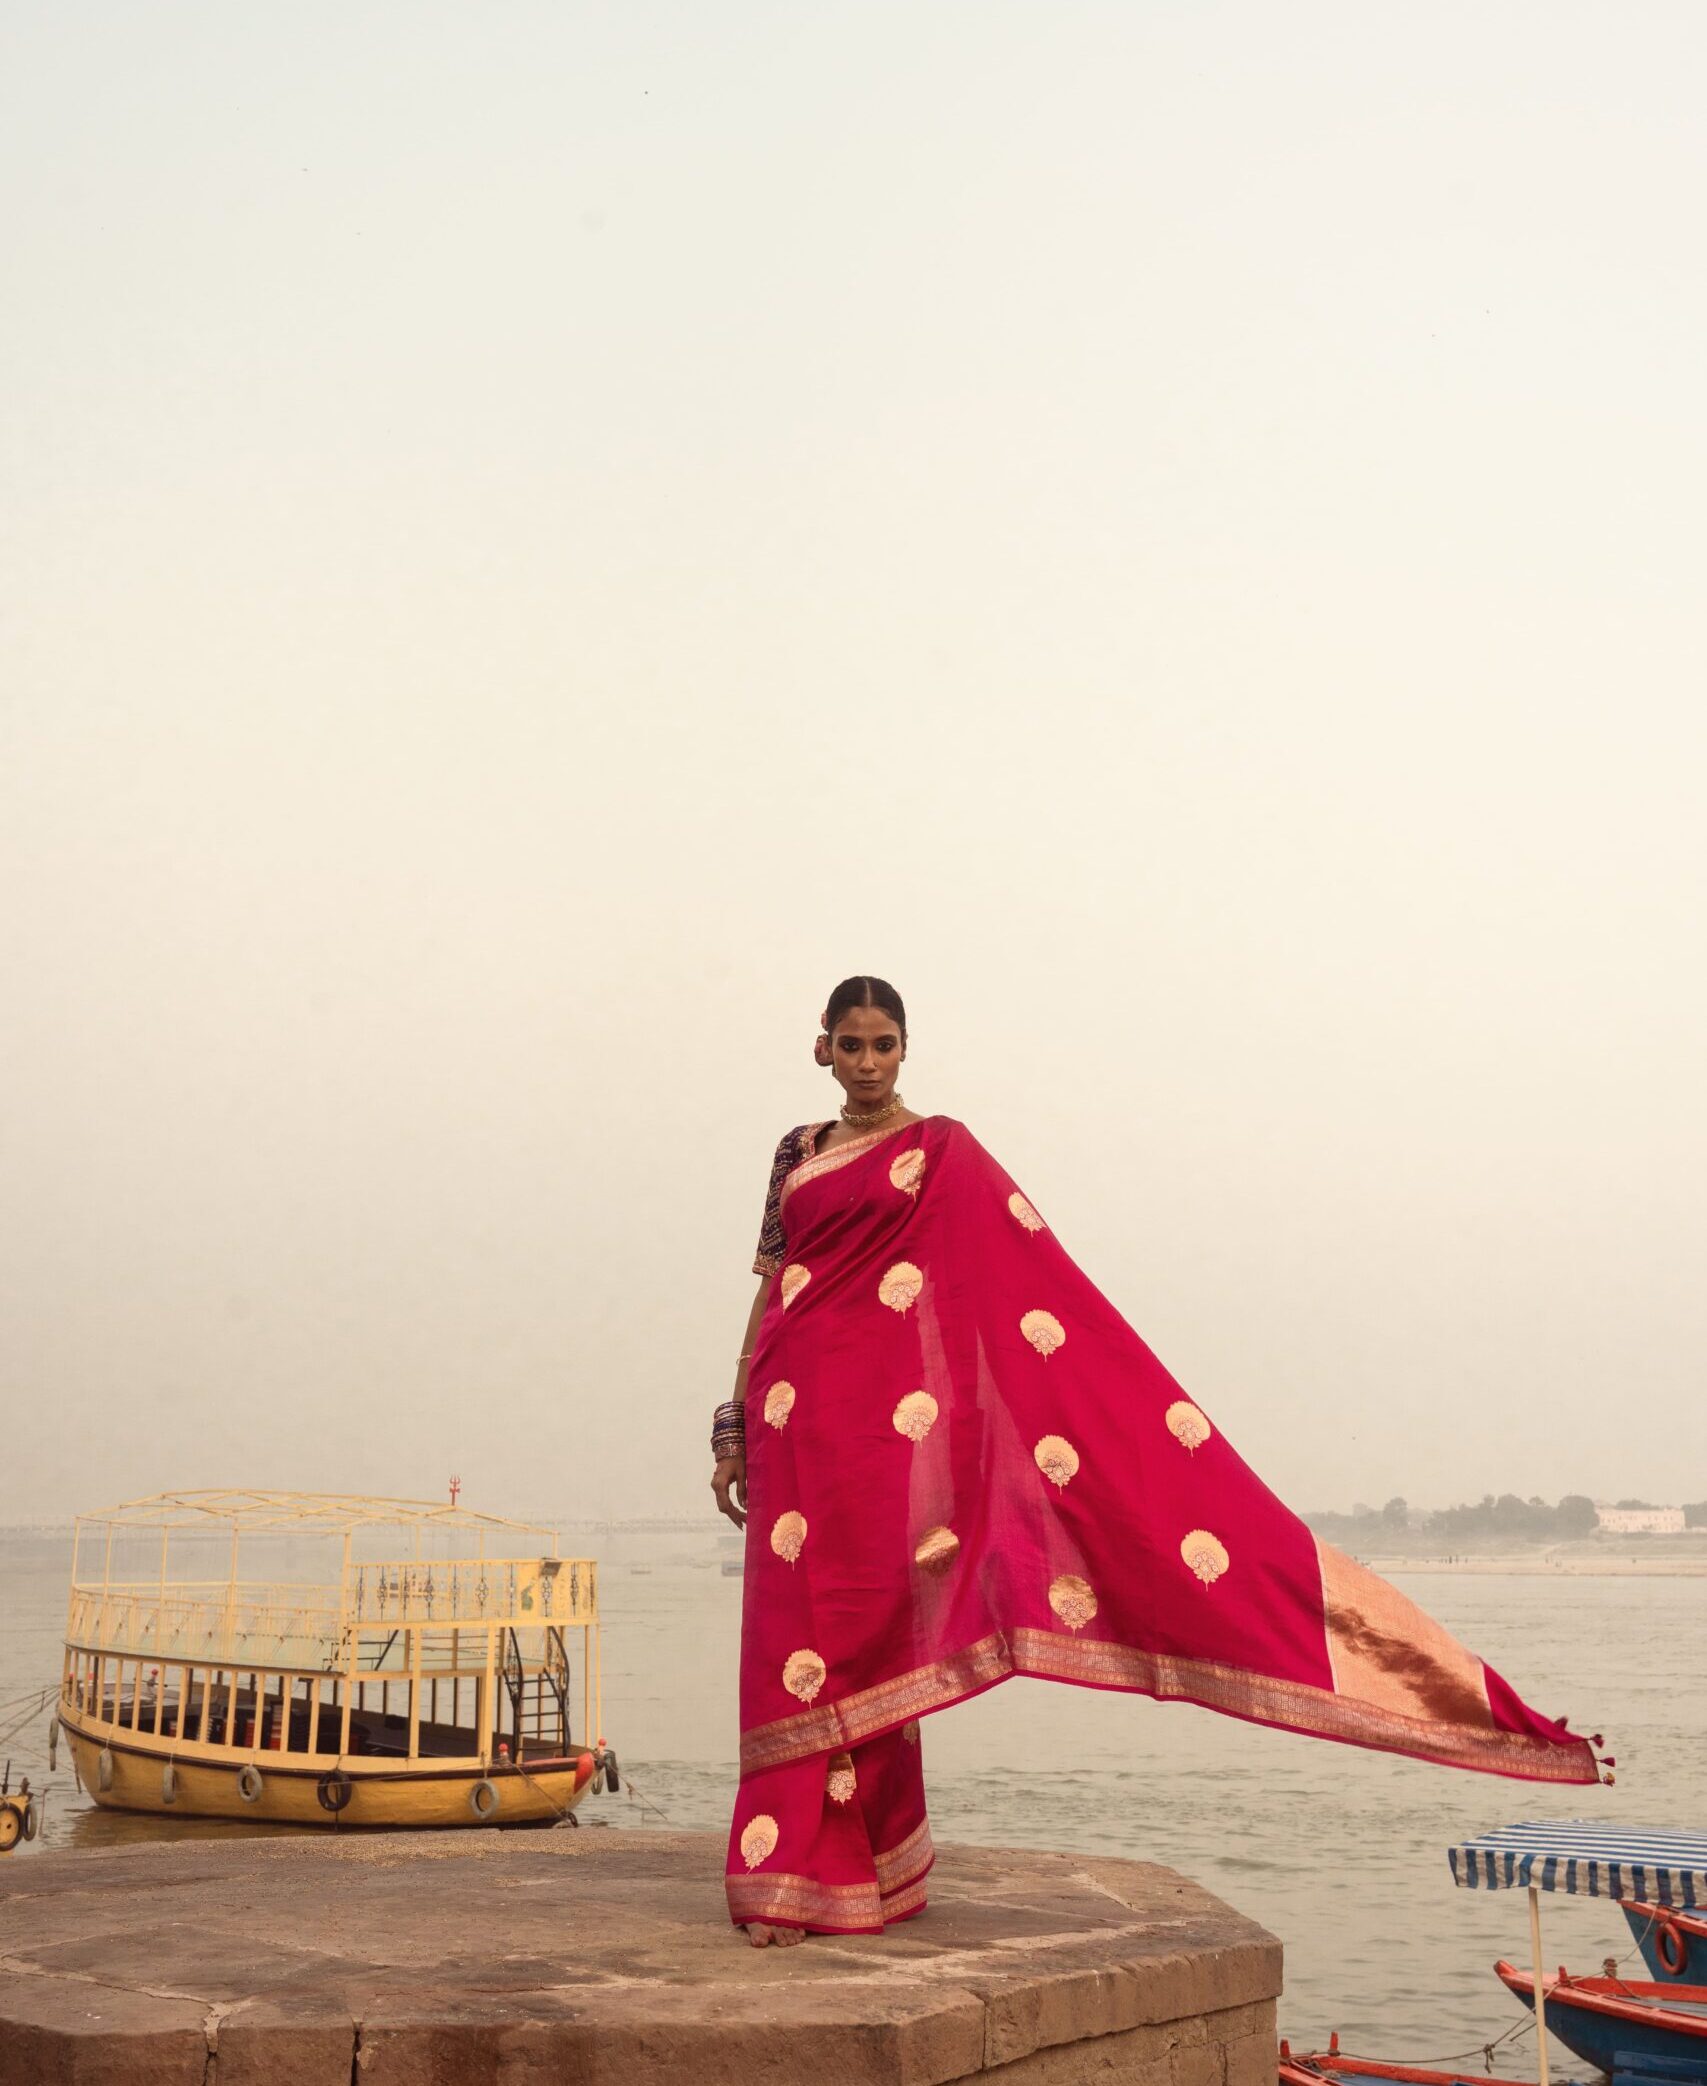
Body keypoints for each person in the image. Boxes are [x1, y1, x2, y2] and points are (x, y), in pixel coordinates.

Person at [711, 976, 1603, 1946]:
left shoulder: (943, 1151)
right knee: (789, 1638)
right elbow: (772, 1289)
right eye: (852, 1045)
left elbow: (995, 1291)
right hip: (795, 1423)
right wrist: (730, 1418)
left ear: (907, 1049)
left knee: (867, 1637)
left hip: (888, 1439)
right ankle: (802, 1870)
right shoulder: (796, 1154)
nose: (869, 1062)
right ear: (821, 1051)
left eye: (885, 1044)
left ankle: (841, 1870)